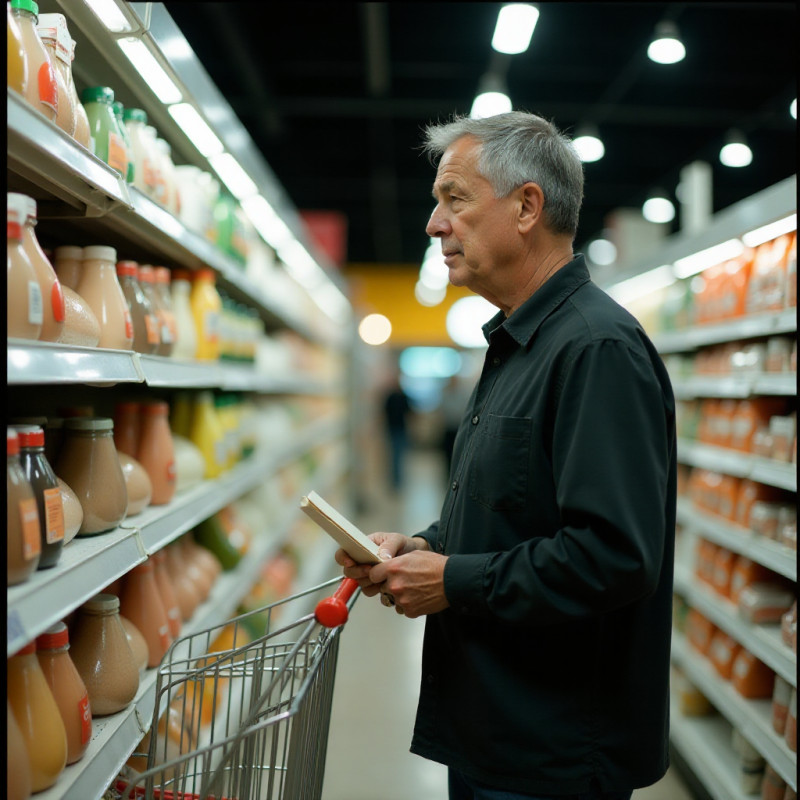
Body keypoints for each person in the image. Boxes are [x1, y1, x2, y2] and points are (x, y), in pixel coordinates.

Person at [336, 111, 676, 800]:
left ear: (527, 207)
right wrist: (423, 547)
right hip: (496, 726)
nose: (435, 224)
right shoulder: (518, 346)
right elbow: (516, 508)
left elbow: (614, 554)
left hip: (553, 750)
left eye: (454, 199)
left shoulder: (595, 350)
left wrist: (453, 580)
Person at [383, 371, 412, 490]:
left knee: (398, 455)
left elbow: (409, 412)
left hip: (400, 429)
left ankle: (397, 480)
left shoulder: (402, 396)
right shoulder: (392, 396)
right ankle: (396, 480)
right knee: (395, 455)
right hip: (393, 429)